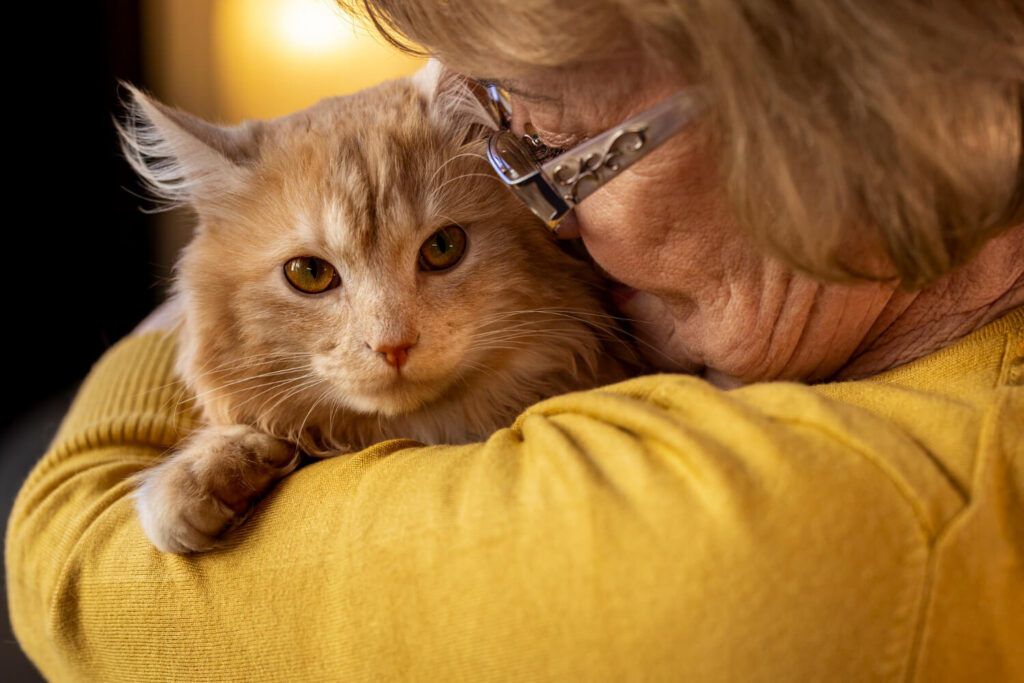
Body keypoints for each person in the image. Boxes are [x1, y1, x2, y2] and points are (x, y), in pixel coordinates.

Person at [7, 0, 1022, 680]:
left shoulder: (843, 522)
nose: (550, 219)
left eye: (561, 147)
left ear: (827, 102)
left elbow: (78, 562)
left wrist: (193, 317)